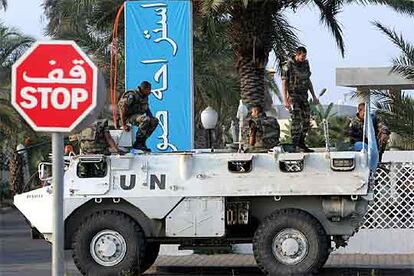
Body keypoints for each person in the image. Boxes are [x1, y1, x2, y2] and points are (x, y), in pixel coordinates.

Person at [281, 47, 319, 152]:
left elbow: (308, 80)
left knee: (307, 120)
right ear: (297, 54)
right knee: (296, 120)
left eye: (305, 56)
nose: (304, 58)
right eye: (302, 56)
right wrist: (285, 100)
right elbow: (284, 83)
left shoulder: (306, 64)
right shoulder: (288, 65)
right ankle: (294, 144)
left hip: (304, 96)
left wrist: (314, 96)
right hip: (293, 96)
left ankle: (301, 142)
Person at [119, 81, 159, 152]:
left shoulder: (145, 96)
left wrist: (151, 118)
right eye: (149, 89)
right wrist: (123, 124)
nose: (150, 91)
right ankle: (138, 142)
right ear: (144, 89)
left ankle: (142, 142)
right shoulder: (132, 95)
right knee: (145, 119)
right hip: (128, 117)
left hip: (138, 116)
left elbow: (146, 108)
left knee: (154, 121)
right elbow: (122, 109)